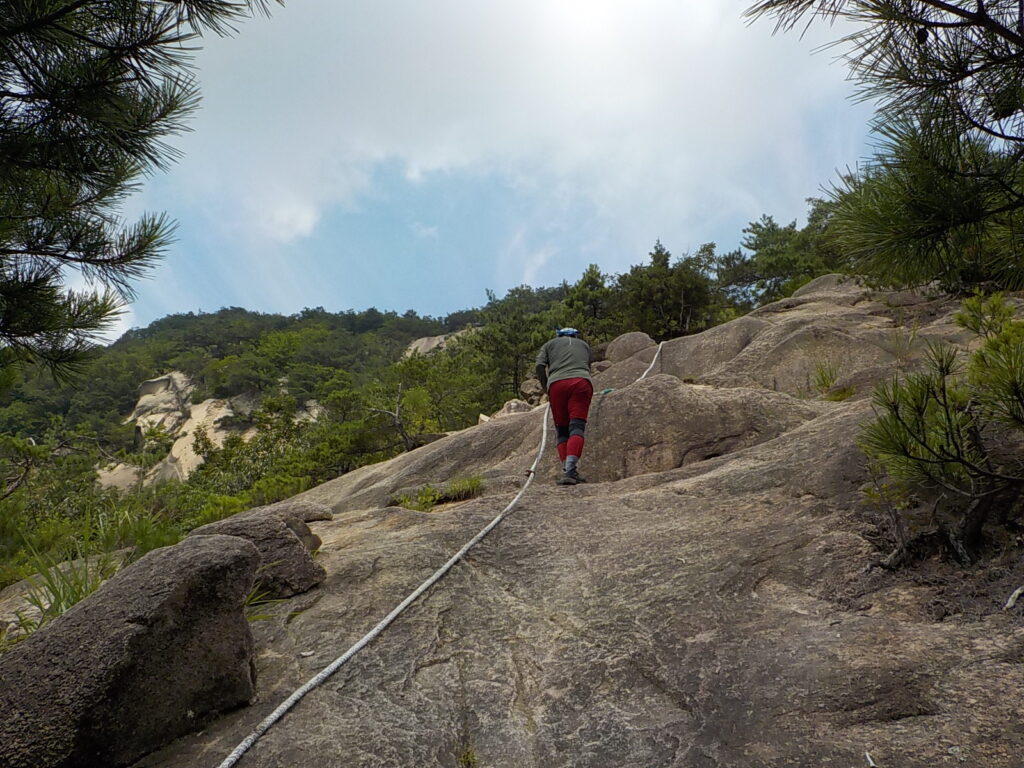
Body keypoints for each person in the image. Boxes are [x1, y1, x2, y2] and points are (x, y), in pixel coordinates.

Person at [535, 327, 594, 485]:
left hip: (557, 385)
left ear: (558, 336)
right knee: (577, 427)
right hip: (581, 382)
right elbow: (589, 365)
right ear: (575, 335)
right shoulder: (584, 345)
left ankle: (567, 471)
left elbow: (539, 366)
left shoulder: (549, 344)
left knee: (562, 430)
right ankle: (570, 470)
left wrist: (546, 385)